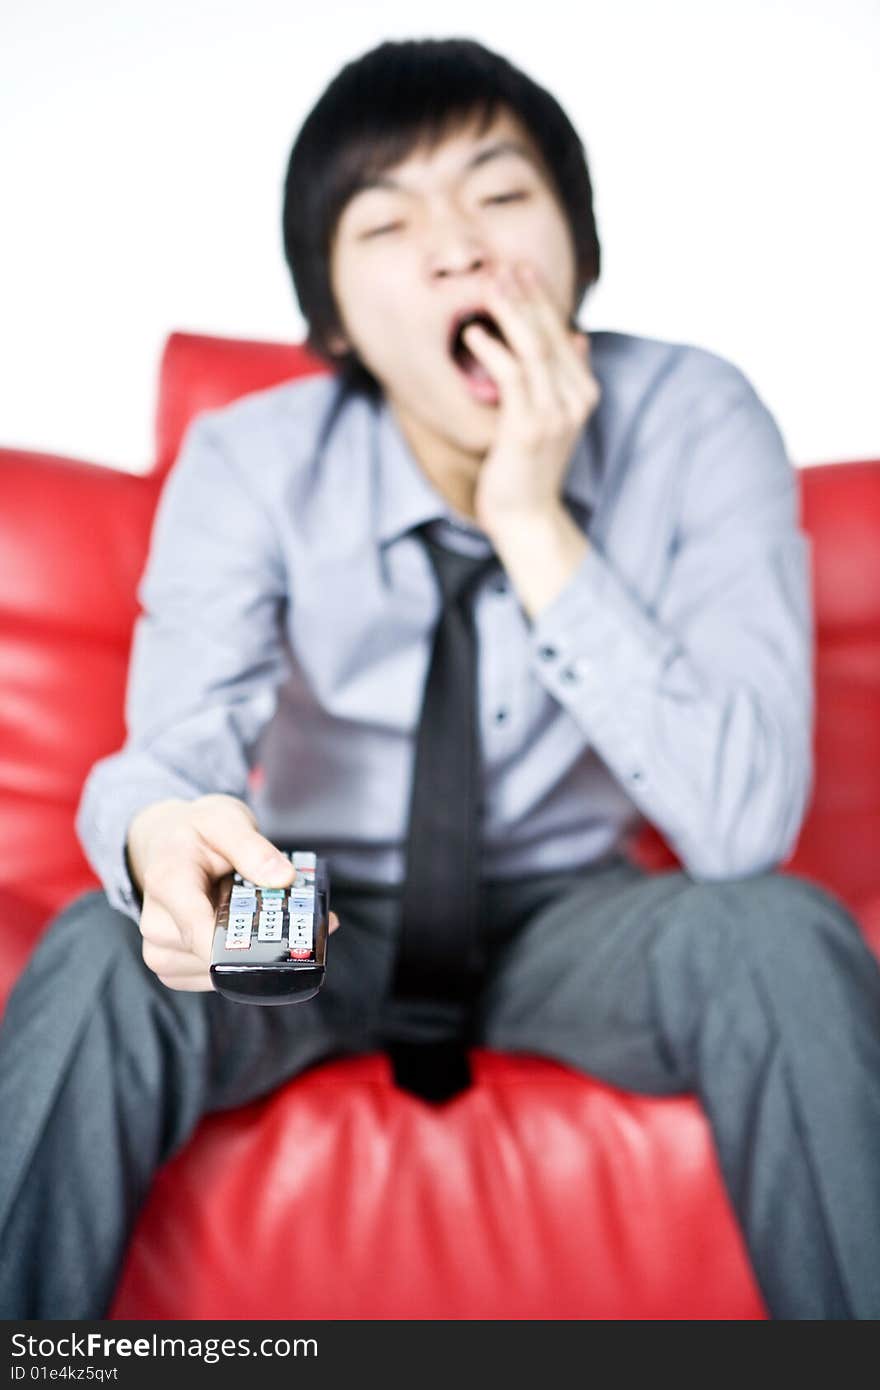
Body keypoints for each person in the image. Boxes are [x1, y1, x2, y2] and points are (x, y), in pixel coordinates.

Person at [1, 36, 879, 1321]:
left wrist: (534, 523)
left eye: (500, 195)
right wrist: (161, 837)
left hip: (570, 911)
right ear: (335, 322)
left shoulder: (696, 418)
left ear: (577, 243)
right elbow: (175, 749)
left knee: (780, 936)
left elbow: (741, 828)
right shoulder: (252, 456)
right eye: (388, 221)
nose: (458, 246)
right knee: (100, 948)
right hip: (308, 904)